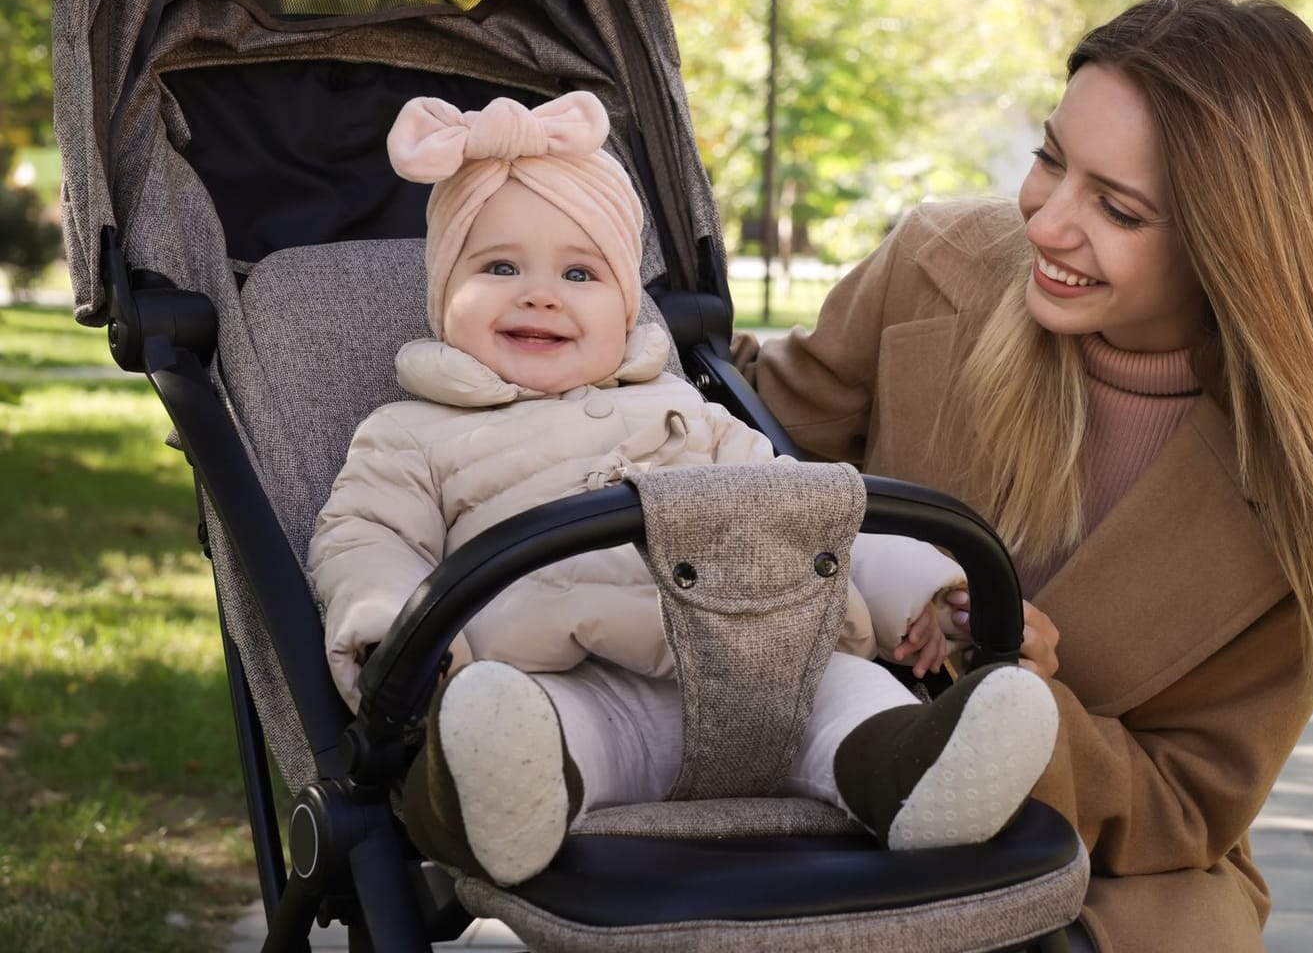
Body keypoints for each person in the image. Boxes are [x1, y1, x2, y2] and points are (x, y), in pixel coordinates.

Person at [734, 0, 1313, 953]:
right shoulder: (936, 267)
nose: (1048, 224)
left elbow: (1189, 803)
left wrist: (1018, 711)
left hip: (1099, 867)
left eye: (1118, 208)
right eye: (1051, 159)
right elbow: (753, 443)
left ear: (1234, 244)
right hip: (819, 768)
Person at [308, 91, 1058, 889]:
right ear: (441, 294)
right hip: (576, 686)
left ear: (628, 303)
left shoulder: (690, 417)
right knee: (516, 726)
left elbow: (810, 521)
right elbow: (367, 539)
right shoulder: (412, 434)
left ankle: (913, 773)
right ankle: (498, 801)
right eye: (498, 267)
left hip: (761, 675)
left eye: (579, 272)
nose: (540, 294)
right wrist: (396, 637)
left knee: (851, 691)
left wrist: (931, 590)